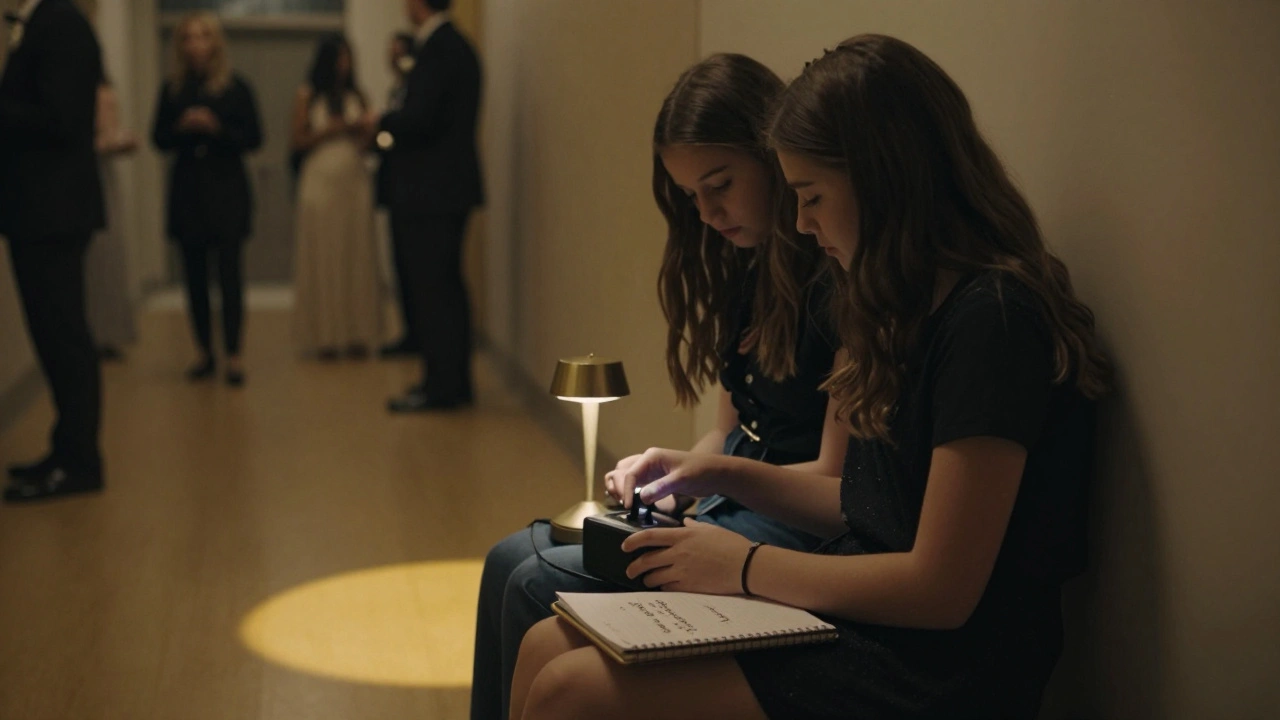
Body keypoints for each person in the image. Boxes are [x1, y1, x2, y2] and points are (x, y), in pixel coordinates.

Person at [509, 34, 1112, 720]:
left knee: (570, 688)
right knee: (544, 644)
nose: (799, 221)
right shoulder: (899, 306)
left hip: (935, 665)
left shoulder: (994, 322)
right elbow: (859, 505)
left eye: (812, 195)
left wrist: (740, 567)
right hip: (866, 615)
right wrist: (715, 474)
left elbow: (943, 590)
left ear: (886, 179)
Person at [469, 54, 847, 720]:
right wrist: (669, 479)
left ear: (774, 156)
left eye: (720, 185)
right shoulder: (747, 273)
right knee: (506, 559)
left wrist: (712, 475)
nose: (706, 214)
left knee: (535, 581)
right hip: (734, 504)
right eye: (690, 197)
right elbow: (728, 430)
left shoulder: (837, 283)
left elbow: (834, 481)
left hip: (787, 530)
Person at [1, 0, 107, 502]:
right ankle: (67, 448)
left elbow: (61, 117)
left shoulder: (59, 22)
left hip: (52, 210)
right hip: (43, 211)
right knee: (56, 336)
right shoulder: (50, 21)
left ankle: (80, 461)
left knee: (64, 338)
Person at [382, 0, 484, 412]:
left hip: (432, 190)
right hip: (444, 189)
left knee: (433, 289)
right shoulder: (454, 46)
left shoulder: (440, 48)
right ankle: (451, 382)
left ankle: (442, 386)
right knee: (444, 286)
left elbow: (420, 118)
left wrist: (383, 122)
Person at [152, 11, 262, 387]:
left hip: (227, 191)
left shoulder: (236, 89)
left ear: (215, 43)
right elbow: (158, 138)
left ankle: (234, 353)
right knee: (194, 278)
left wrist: (216, 129)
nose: (195, 45)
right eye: (188, 37)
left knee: (230, 276)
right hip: (188, 193)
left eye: (202, 37)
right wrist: (183, 128)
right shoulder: (172, 91)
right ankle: (203, 351)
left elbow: (254, 138)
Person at [290, 34, 382, 360]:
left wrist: (363, 130)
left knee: (355, 253)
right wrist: (329, 130)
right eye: (339, 58)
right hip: (320, 177)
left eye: (348, 57)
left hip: (353, 177)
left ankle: (357, 332)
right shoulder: (308, 95)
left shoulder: (358, 94)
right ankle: (326, 334)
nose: (344, 64)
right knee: (325, 253)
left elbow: (373, 138)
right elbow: (297, 139)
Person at [87, 78, 139, 361]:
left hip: (101, 178)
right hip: (84, 178)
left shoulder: (105, 91)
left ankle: (106, 330)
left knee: (107, 258)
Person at [376, 31, 419, 358]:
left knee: (420, 271)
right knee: (402, 265)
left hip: (417, 191)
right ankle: (410, 333)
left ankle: (420, 337)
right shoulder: (397, 92)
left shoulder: (415, 92)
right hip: (396, 187)